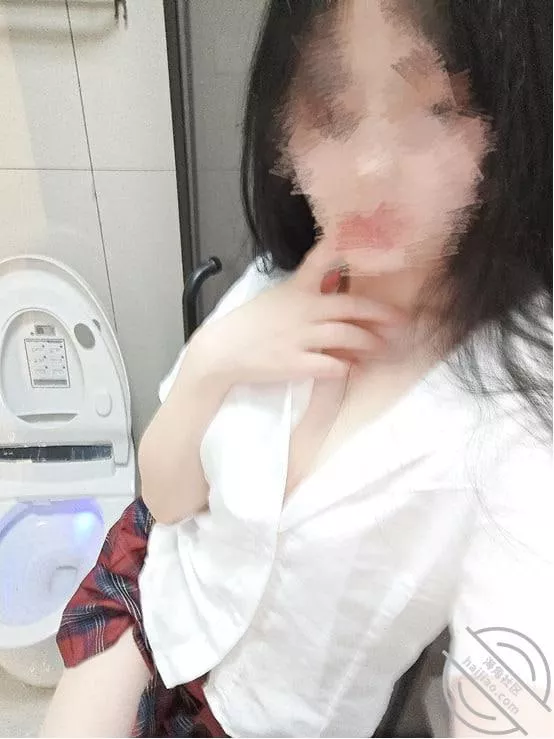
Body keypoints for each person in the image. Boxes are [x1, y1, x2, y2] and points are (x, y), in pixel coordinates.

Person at [41, 0, 552, 736]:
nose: (371, 167)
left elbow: (512, 691)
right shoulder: (278, 279)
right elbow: (166, 503)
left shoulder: (523, 405)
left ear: (510, 122)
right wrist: (215, 359)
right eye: (334, 114)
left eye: (435, 109)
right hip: (153, 600)